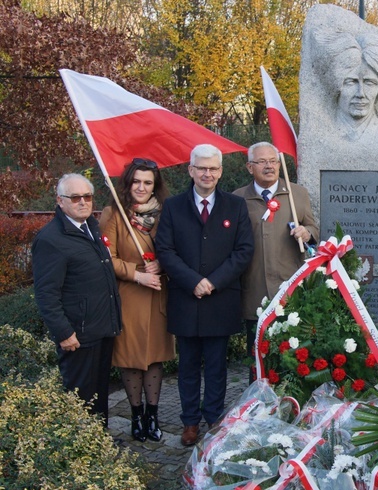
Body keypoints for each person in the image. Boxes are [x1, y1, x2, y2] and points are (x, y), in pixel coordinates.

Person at [155, 144, 254, 446]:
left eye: (213, 168)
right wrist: (193, 281)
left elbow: (244, 250)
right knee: (187, 366)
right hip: (186, 298)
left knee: (216, 365)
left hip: (220, 299)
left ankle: (213, 417)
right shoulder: (173, 206)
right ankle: (189, 422)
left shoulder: (235, 206)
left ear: (221, 171)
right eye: (202, 168)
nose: (207, 173)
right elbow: (165, 250)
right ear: (191, 170)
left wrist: (213, 281)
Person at [32, 173, 122, 426]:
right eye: (75, 197)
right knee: (81, 396)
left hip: (102, 327)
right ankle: (82, 446)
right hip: (78, 334)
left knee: (100, 390)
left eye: (87, 196)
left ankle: (100, 441)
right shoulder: (51, 239)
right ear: (60, 201)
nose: (83, 202)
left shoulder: (91, 227)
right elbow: (46, 293)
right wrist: (63, 332)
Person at [100, 158, 175, 442]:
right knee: (131, 358)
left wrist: (162, 265)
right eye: (136, 182)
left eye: (148, 183)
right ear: (127, 183)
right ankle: (135, 415)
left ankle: (152, 416)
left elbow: (176, 250)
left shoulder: (166, 213)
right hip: (130, 296)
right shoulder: (113, 213)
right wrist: (137, 275)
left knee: (155, 357)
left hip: (158, 295)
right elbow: (108, 259)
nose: (141, 188)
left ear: (156, 186)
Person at [233, 142, 319, 379]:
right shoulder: (237, 198)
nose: (269, 166)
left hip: (290, 288)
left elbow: (313, 228)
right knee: (257, 356)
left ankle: (289, 404)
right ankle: (257, 404)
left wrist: (307, 233)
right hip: (255, 288)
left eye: (273, 161)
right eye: (262, 162)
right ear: (250, 167)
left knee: (292, 355)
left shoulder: (297, 193)